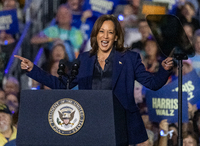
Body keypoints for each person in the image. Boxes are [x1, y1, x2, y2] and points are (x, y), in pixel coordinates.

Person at [14, 14, 174, 145]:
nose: (105, 36)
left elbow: (152, 84)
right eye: (101, 31)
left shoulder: (129, 59)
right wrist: (33, 70)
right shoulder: (84, 59)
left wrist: (164, 70)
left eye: (110, 32)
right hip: (92, 122)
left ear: (116, 36)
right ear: (96, 34)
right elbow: (63, 85)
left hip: (121, 124)